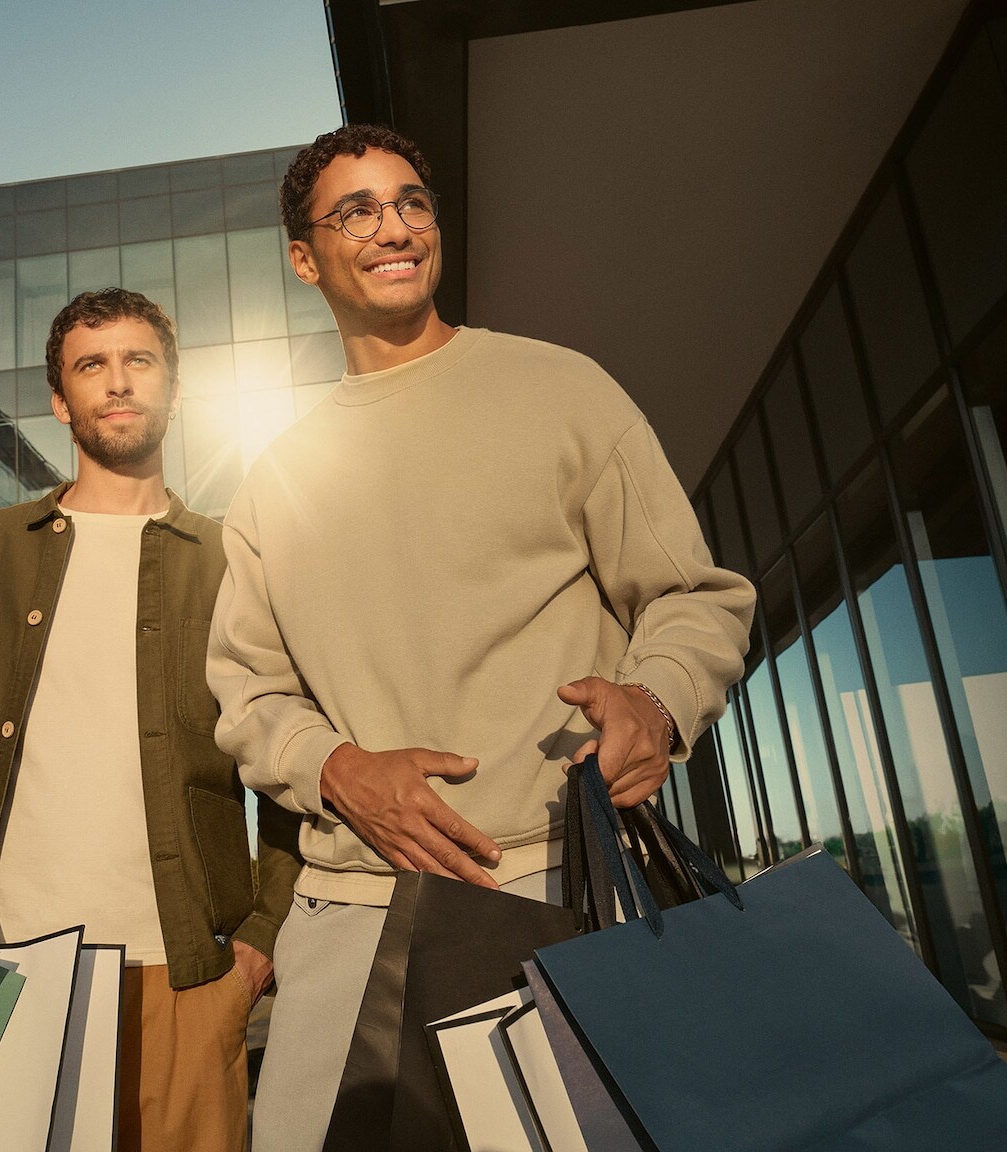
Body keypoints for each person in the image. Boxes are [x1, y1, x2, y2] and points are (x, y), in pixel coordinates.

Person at [206, 124, 757, 1151]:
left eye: (411, 201)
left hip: (560, 888)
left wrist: (656, 696)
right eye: (355, 210)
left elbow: (693, 597)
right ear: (302, 256)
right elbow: (246, 694)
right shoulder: (272, 478)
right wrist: (335, 766)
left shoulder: (563, 392)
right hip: (351, 913)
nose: (394, 226)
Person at [0, 287, 300, 1152]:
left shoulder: (235, 562)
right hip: (5, 971)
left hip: (185, 973)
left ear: (173, 391)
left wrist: (261, 941)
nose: (117, 382)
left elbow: (290, 754)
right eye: (91, 366)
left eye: (139, 361)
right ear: (61, 401)